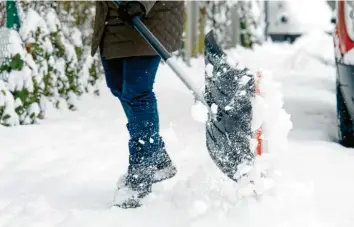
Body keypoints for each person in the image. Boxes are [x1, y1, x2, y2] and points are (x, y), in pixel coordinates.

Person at [91, 1, 185, 208]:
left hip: (148, 18)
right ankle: (158, 158)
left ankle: (141, 173)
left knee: (137, 92)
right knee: (118, 87)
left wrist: (142, 2)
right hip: (114, 21)